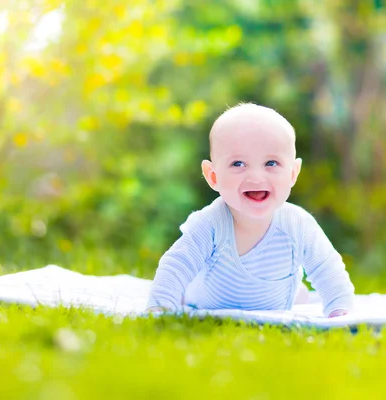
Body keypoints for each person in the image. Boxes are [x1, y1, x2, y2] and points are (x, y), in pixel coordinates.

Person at [146, 103, 354, 318]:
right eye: (238, 164)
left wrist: (340, 311)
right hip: (207, 300)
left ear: (293, 173)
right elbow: (177, 265)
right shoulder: (210, 224)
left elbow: (327, 268)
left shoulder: (297, 224)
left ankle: (296, 292)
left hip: (277, 300)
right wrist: (160, 307)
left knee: (297, 295)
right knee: (185, 289)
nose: (255, 177)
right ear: (213, 176)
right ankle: (183, 296)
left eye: (271, 163)